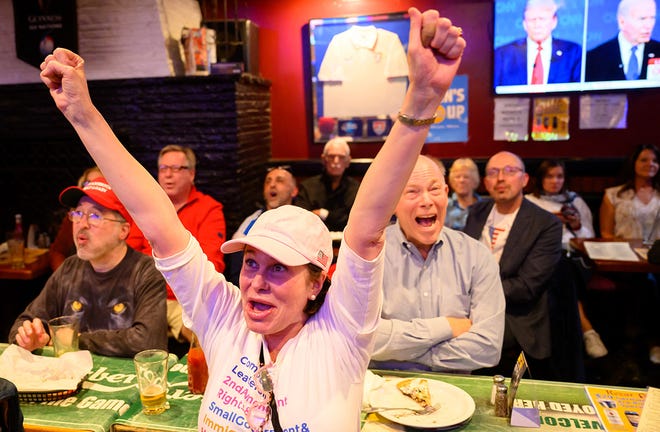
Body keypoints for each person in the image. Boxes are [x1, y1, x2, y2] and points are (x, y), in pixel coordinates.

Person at [38, 7, 465, 429]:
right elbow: (158, 222)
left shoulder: (340, 334)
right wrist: (82, 114)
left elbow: (367, 228)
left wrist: (422, 100)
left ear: (316, 282)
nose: (255, 282)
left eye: (279, 267)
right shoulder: (225, 317)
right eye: (252, 263)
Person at [370, 155, 505, 373]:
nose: (426, 201)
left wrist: (405, 354)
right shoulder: (370, 257)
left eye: (434, 190)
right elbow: (362, 337)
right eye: (412, 191)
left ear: (445, 194)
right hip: (387, 391)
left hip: (458, 392)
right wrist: (447, 327)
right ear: (393, 202)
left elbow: (488, 347)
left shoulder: (477, 256)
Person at [8, 178, 168, 357]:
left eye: (94, 216)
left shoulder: (146, 271)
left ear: (123, 231)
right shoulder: (69, 267)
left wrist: (75, 340)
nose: (81, 224)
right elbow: (24, 322)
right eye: (77, 214)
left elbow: (148, 342)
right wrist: (27, 337)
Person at [464, 151, 562, 380]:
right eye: (493, 172)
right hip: (468, 304)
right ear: (485, 182)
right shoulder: (477, 212)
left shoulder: (546, 224)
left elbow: (526, 288)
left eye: (509, 171)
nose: (500, 178)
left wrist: (474, 294)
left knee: (462, 339)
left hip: (515, 314)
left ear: (525, 180)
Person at [136, 144, 227, 345]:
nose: (168, 175)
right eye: (163, 169)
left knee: (202, 338)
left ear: (192, 174)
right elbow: (131, 258)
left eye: (177, 169)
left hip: (184, 301)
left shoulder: (209, 209)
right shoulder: (144, 208)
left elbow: (210, 263)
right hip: (145, 296)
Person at [525, 159, 608, 359]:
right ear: (540, 179)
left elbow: (591, 236)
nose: (555, 181)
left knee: (562, 266)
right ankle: (586, 330)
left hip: (574, 257)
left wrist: (577, 224)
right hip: (540, 257)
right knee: (558, 265)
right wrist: (548, 223)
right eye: (550, 176)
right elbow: (522, 237)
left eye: (559, 176)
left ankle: (575, 337)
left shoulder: (575, 201)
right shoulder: (529, 201)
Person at [600, 143, 660, 364]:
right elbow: (606, 232)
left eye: (654, 160)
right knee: (643, 282)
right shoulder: (614, 195)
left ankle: (645, 342)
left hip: (656, 259)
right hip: (621, 260)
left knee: (649, 280)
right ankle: (641, 343)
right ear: (633, 164)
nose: (650, 164)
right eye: (644, 160)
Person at [226, 166, 299, 285]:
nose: (272, 185)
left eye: (279, 181)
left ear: (294, 191)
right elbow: (236, 271)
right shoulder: (252, 221)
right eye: (268, 181)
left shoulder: (303, 221)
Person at [494, 0, 581, 86]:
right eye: (532, 19)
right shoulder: (503, 54)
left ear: (554, 21)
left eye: (542, 19)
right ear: (524, 24)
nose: (537, 25)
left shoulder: (572, 52)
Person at [295, 136, 360, 232]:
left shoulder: (357, 189)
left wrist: (323, 213)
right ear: (323, 159)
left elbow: (355, 221)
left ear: (348, 161)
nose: (336, 162)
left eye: (341, 157)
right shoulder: (307, 187)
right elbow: (301, 219)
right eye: (331, 156)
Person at [586, 0, 660, 81]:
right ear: (622, 22)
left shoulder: (658, 51)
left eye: (652, 18)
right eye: (642, 19)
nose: (649, 25)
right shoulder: (595, 58)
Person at [49, 166, 103, 271]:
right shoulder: (73, 218)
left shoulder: (119, 219)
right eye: (88, 184)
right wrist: (65, 278)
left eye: (98, 184)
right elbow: (57, 252)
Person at [445, 157, 482, 230]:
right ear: (452, 181)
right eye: (457, 177)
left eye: (466, 177)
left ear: (474, 180)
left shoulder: (484, 208)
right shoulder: (444, 206)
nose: (461, 180)